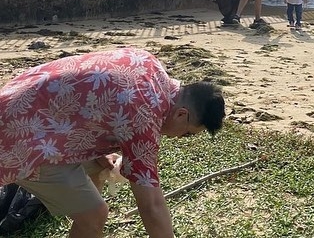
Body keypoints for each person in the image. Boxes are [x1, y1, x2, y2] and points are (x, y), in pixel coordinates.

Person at [0, 47, 226, 238]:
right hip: (21, 138)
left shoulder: (150, 64)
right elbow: (151, 205)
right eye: (186, 134)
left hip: (15, 101)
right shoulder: (145, 116)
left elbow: (89, 104)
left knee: (97, 169)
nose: (178, 138)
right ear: (181, 115)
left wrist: (98, 153)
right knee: (95, 214)